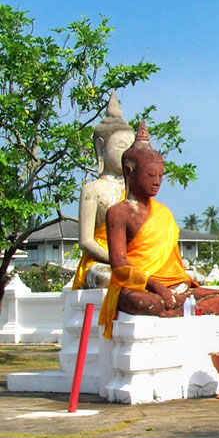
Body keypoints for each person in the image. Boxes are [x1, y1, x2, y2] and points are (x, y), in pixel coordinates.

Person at [98, 122, 219, 340]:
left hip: (177, 288)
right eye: (150, 175)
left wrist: (180, 286)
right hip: (144, 288)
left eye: (160, 176)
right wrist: (156, 286)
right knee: (139, 301)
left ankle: (180, 309)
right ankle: (184, 309)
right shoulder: (119, 213)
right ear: (129, 171)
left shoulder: (164, 213)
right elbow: (119, 264)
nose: (157, 182)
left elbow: (174, 263)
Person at [71, 91, 135, 289]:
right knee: (104, 278)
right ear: (101, 148)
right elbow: (86, 241)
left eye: (131, 148)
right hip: (102, 261)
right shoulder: (93, 190)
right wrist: (116, 260)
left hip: (134, 258)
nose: (128, 154)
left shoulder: (134, 190)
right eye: (121, 147)